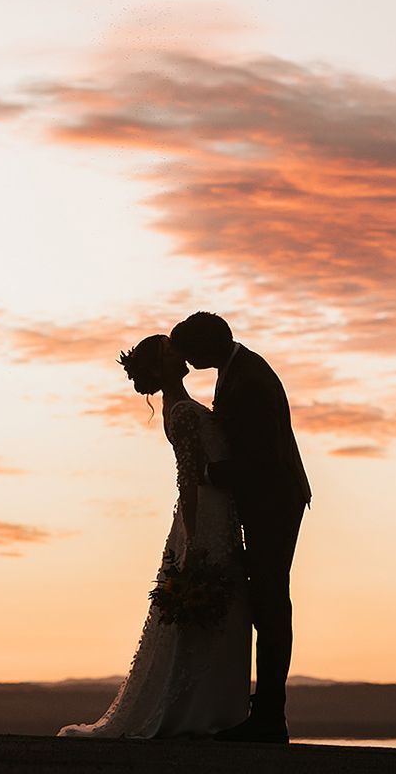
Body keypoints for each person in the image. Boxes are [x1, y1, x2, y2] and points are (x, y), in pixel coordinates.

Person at [57, 335, 250, 738]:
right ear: (163, 368)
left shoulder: (180, 407)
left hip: (218, 514)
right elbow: (189, 480)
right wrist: (195, 539)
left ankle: (213, 708)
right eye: (170, 351)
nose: (180, 353)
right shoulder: (180, 413)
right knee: (211, 607)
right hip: (205, 518)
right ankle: (195, 711)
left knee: (224, 610)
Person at [170, 311, 311, 744]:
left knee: (270, 602)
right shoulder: (238, 370)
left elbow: (261, 460)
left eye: (190, 351)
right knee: (265, 601)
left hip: (274, 503)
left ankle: (270, 716)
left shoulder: (247, 381)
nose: (187, 361)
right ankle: (266, 711)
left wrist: (209, 475)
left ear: (207, 346)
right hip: (267, 501)